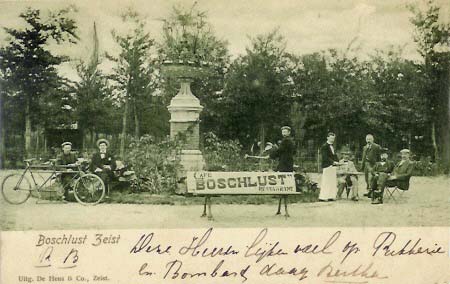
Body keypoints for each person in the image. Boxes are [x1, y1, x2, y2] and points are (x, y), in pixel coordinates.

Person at [319, 132, 339, 201]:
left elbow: (334, 155)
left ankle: (331, 196)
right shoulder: (324, 146)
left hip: (332, 166)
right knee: (326, 181)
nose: (332, 139)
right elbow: (325, 157)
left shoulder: (332, 146)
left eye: (333, 138)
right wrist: (333, 162)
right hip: (327, 166)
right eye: (331, 138)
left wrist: (338, 162)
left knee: (332, 181)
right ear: (327, 138)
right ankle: (323, 197)